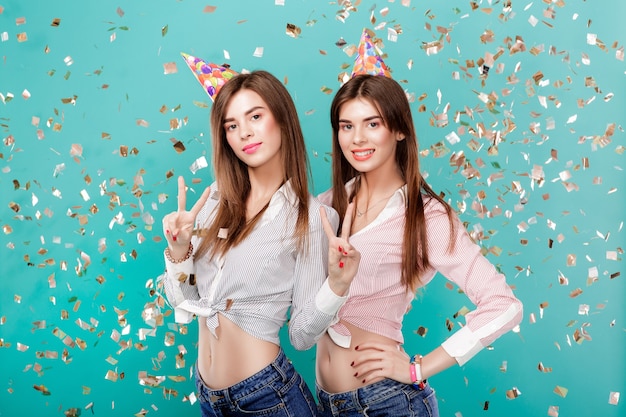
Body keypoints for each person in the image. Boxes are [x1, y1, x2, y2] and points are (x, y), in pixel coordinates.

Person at [315, 73, 524, 417]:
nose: (357, 138)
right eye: (346, 126)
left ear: (399, 130)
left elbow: (504, 306)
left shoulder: (426, 219)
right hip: (327, 405)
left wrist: (417, 369)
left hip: (387, 403)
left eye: (372, 123)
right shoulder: (327, 205)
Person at [159, 70, 358, 417]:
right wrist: (179, 253)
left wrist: (337, 286)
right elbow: (188, 302)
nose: (244, 132)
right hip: (209, 396)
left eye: (255, 116)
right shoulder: (212, 203)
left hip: (268, 397)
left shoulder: (312, 218)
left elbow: (300, 335)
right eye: (231, 125)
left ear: (281, 119)